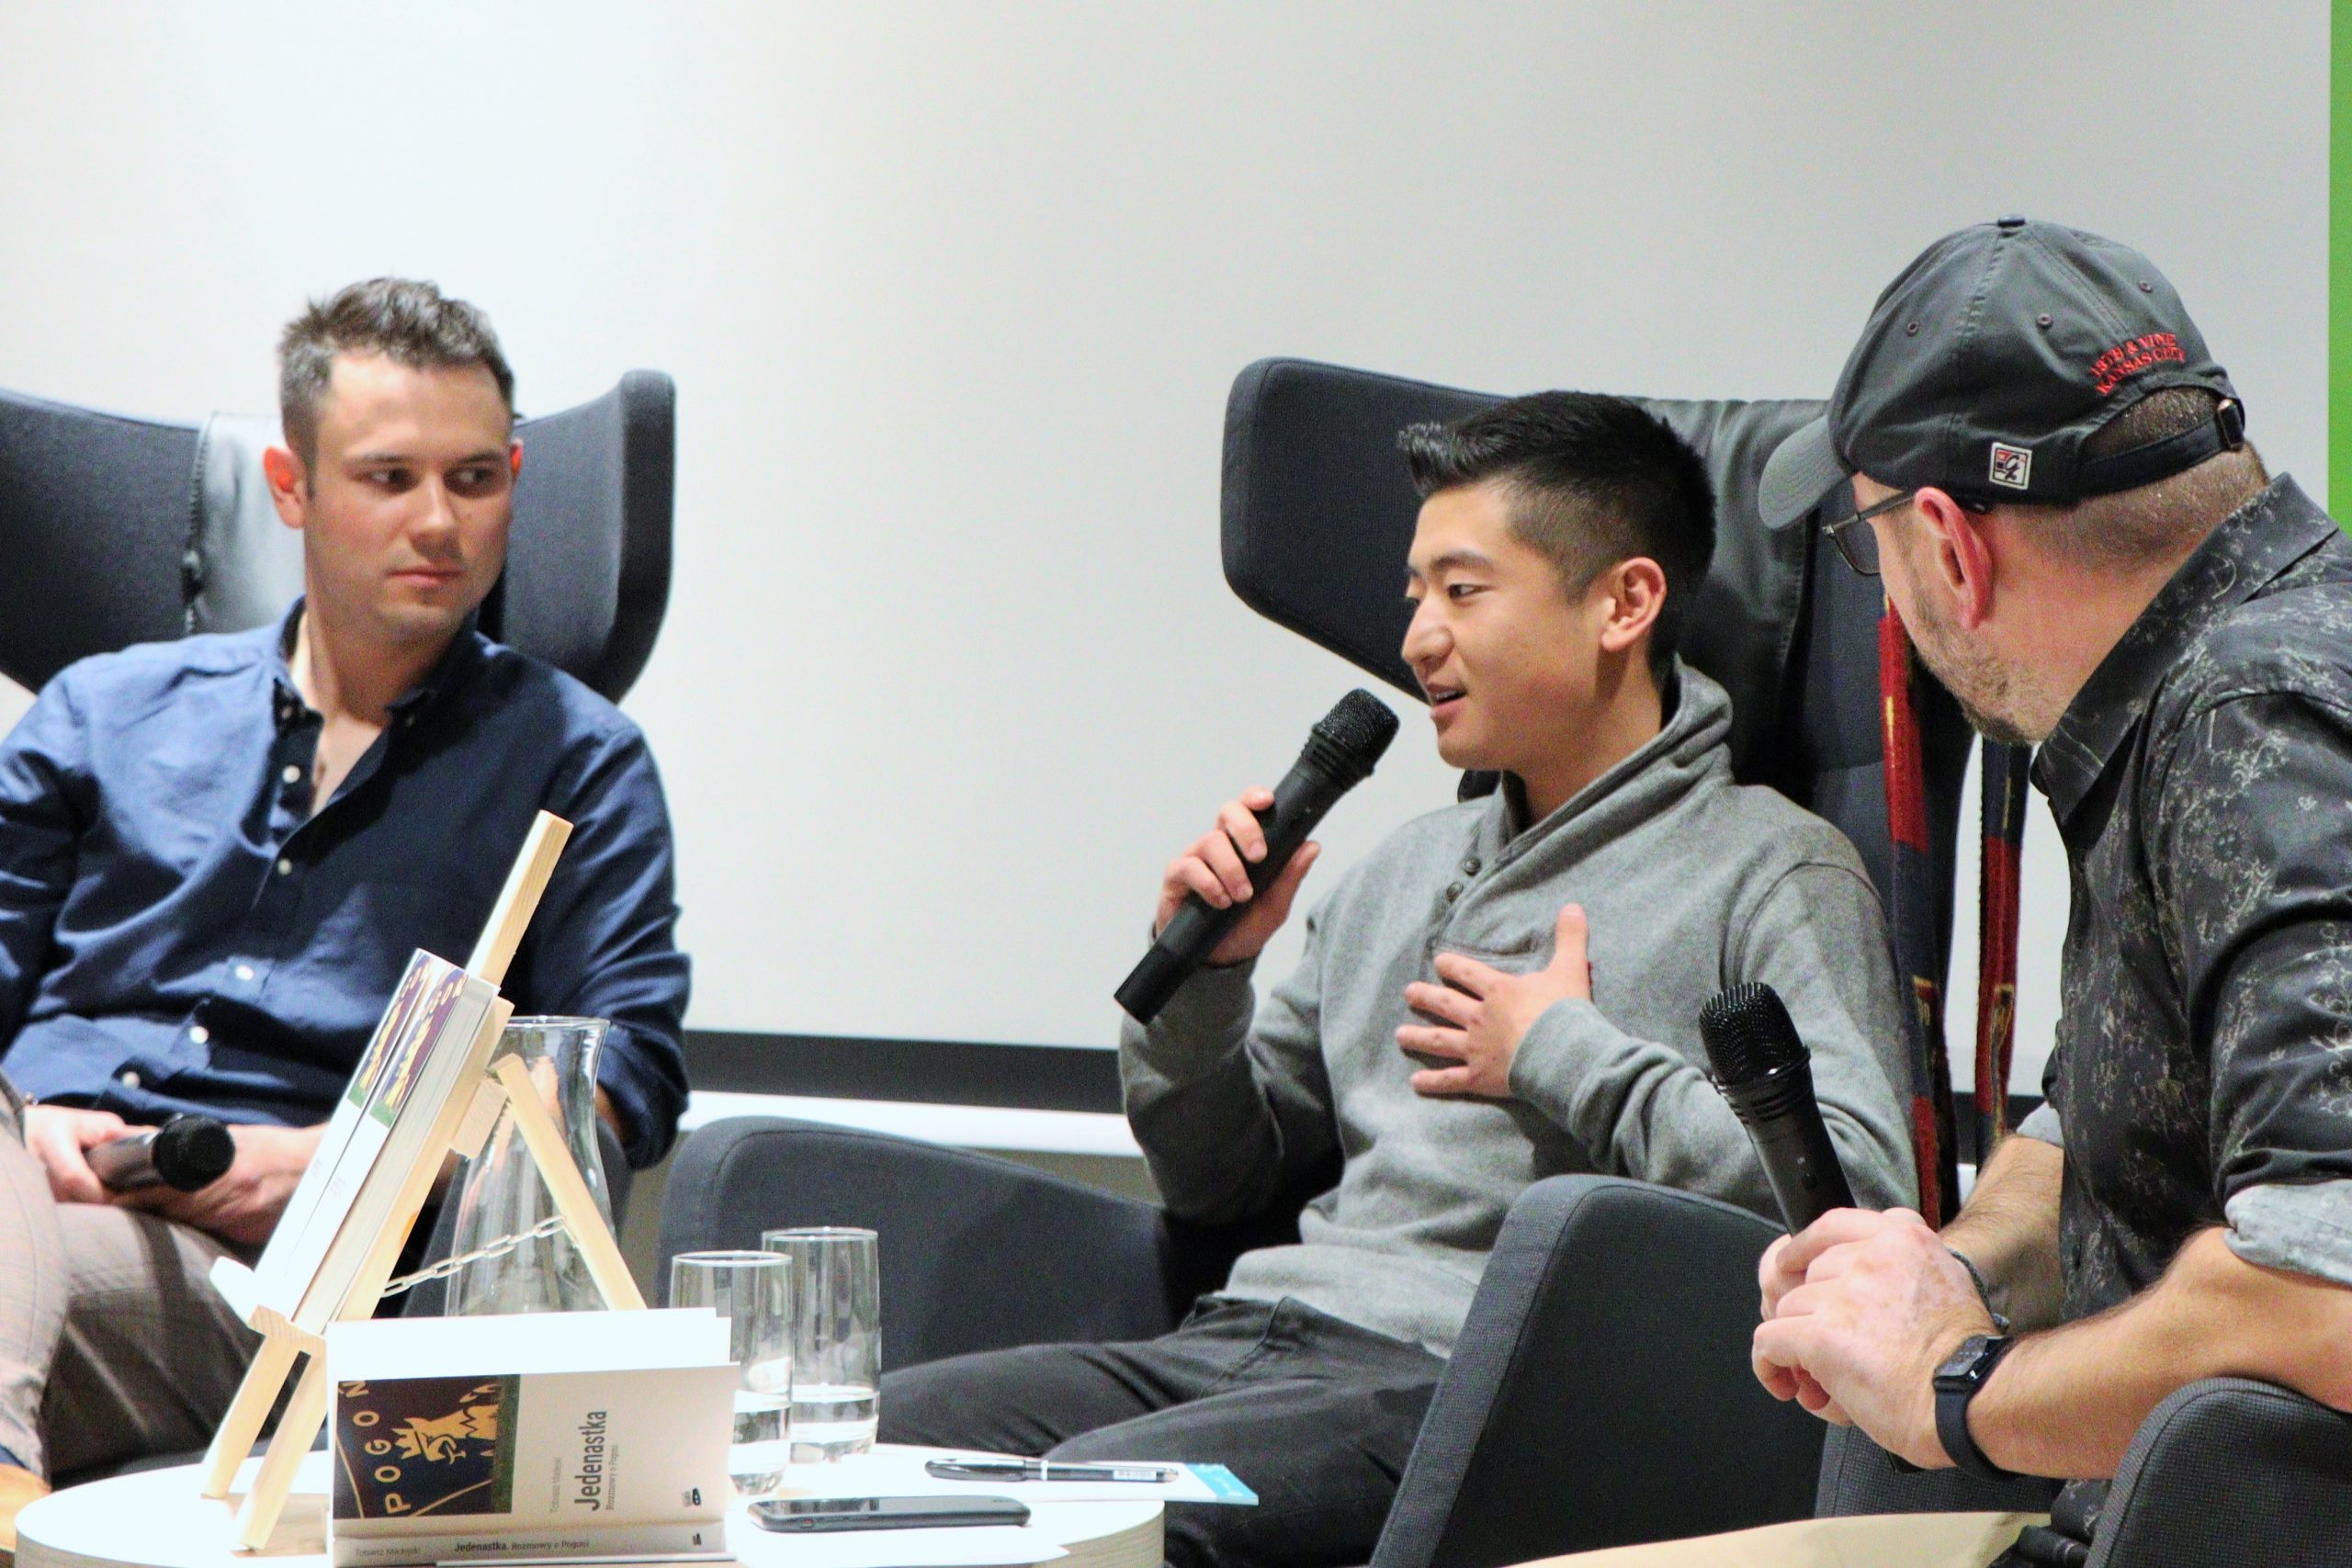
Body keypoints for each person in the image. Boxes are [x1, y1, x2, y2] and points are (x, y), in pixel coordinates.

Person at [881, 391, 1916, 1568]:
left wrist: (1564, 1053)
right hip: (1242, 1340)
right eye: (1415, 593)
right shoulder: (1397, 869)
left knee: (1091, 1518)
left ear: (1623, 603)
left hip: (1470, 1389)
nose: (1419, 636)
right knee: (864, 1453)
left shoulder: (1770, 868)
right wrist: (1211, 980)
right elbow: (1218, 1181)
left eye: (1462, 591)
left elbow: (1858, 1197)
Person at [0, 279, 691, 1540]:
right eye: (388, 478)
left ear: (515, 479)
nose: (438, 521)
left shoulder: (575, 761)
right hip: (32, 1190)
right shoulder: (101, 712)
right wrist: (30, 1123)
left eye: (474, 480)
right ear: (291, 486)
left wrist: (339, 1165)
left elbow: (616, 1082)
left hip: (275, 1283)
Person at [1736, 220, 2352, 1556]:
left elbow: (2329, 1293)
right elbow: (2108, 1110)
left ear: (1949, 546)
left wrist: (1954, 1384)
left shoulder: (2249, 720)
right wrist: (1939, 1275)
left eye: (1869, 544)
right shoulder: (2223, 669)